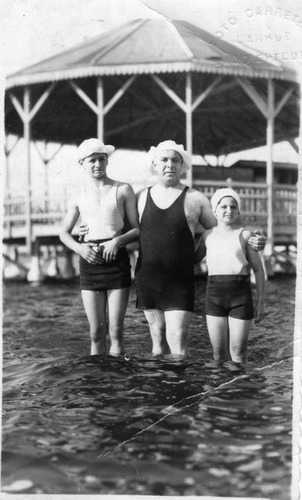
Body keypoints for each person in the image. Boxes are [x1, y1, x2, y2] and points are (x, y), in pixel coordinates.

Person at [135, 141, 265, 357]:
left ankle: (180, 389)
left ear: (182, 166)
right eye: (164, 160)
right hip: (149, 277)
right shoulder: (140, 197)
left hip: (180, 280)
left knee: (177, 340)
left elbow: (225, 231)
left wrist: (256, 240)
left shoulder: (195, 199)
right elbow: (126, 230)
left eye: (175, 160)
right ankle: (159, 388)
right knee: (157, 342)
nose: (169, 164)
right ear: (154, 164)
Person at [59, 138, 139, 356]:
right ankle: (98, 380)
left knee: (116, 330)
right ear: (82, 164)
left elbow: (137, 229)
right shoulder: (78, 194)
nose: (98, 164)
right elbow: (63, 233)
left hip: (116, 259)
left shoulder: (122, 189)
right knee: (96, 331)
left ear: (107, 161)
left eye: (102, 159)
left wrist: (117, 241)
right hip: (89, 260)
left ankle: (117, 380)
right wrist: (80, 248)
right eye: (92, 160)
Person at [201, 188, 265, 365]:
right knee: (218, 354)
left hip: (240, 298)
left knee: (238, 352)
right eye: (223, 206)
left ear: (238, 210)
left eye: (233, 206)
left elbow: (259, 271)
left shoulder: (245, 235)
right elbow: (189, 259)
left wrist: (261, 303)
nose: (229, 210)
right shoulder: (207, 235)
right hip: (214, 297)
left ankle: (237, 392)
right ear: (215, 210)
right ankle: (219, 391)